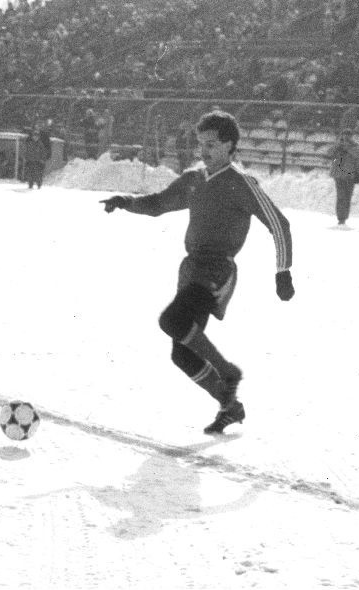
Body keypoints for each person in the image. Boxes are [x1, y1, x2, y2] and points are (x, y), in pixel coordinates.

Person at [99, 110, 295, 434]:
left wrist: (282, 272)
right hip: (191, 270)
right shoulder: (193, 179)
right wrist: (125, 200)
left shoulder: (242, 184)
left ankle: (228, 372)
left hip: (217, 269)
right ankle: (230, 406)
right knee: (182, 354)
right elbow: (158, 203)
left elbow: (279, 224)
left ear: (230, 145)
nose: (203, 150)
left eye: (212, 144)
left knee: (171, 321)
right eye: (201, 143)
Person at [327, 128, 359, 228]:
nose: (346, 137)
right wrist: (338, 146)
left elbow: (356, 155)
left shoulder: (354, 146)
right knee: (341, 197)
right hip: (339, 175)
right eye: (344, 135)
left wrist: (347, 147)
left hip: (349, 175)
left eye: (348, 135)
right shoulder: (337, 146)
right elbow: (329, 153)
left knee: (347, 197)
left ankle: (344, 218)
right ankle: (341, 219)